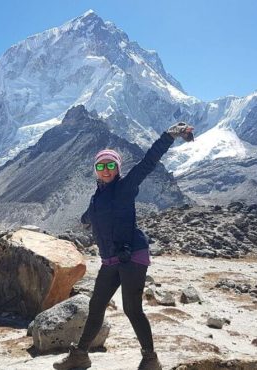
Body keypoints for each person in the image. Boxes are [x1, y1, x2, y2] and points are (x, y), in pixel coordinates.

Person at [53, 122, 194, 370]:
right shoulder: (96, 197)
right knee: (96, 306)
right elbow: (91, 214)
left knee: (132, 308)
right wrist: (87, 220)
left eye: (110, 165)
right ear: (96, 170)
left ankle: (150, 359)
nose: (106, 170)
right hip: (110, 261)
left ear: (117, 168)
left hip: (132, 256)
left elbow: (147, 163)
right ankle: (80, 355)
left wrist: (168, 136)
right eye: (101, 166)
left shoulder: (125, 187)